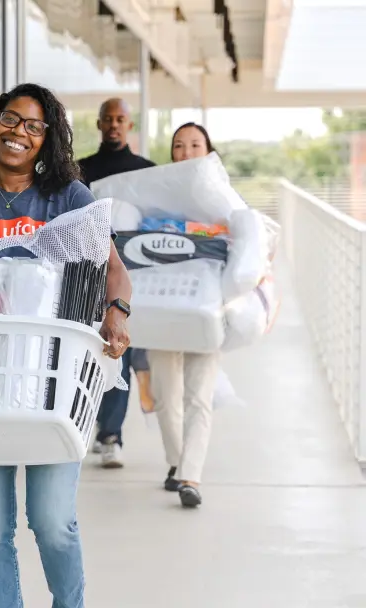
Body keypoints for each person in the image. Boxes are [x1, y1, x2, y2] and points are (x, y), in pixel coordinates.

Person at [0, 83, 131, 608]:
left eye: (34, 126)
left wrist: (116, 315)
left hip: (54, 386)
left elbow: (114, 272)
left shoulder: (68, 199)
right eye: (11, 120)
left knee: (53, 521)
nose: (19, 133)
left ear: (48, 139)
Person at [78, 97, 154, 468]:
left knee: (117, 348)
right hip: (83, 273)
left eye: (120, 119)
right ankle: (82, 424)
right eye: (107, 119)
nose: (113, 125)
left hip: (128, 277)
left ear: (130, 125)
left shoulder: (147, 173)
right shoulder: (80, 171)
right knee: (82, 353)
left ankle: (111, 435)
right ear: (98, 124)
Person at [148, 121, 218, 508]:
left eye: (195, 144)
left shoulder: (221, 197)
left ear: (208, 151)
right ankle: (177, 463)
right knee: (164, 395)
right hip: (165, 304)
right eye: (179, 145)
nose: (187, 151)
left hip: (205, 306)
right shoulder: (158, 195)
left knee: (199, 396)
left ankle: (191, 475)